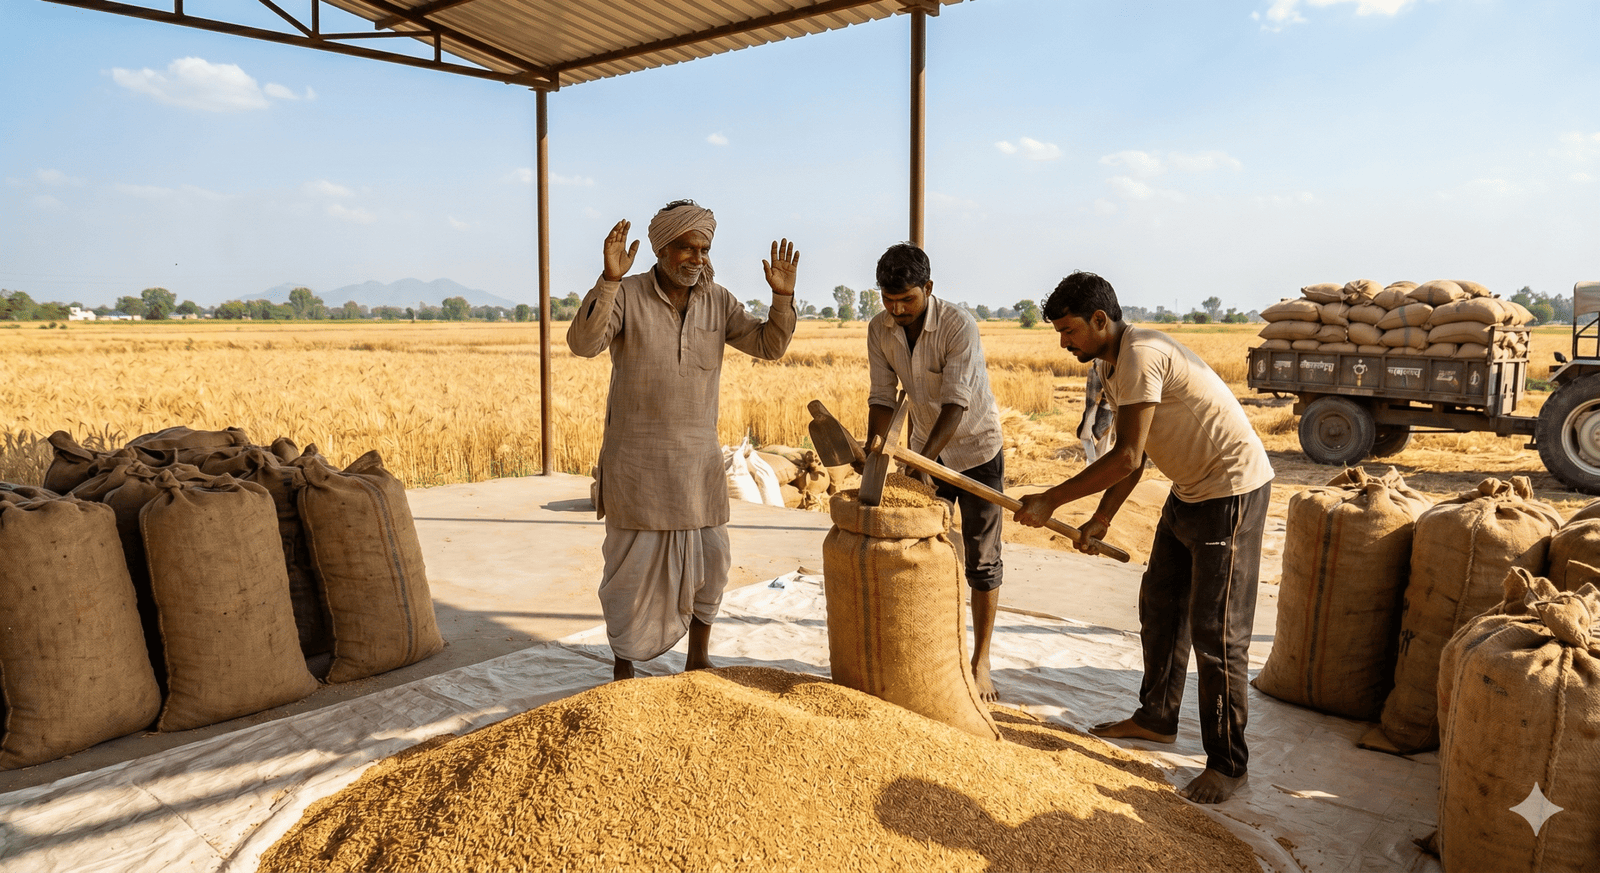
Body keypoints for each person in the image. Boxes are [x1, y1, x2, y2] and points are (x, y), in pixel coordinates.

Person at [1013, 271, 1273, 804]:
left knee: (1216, 633)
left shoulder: (1140, 354)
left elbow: (1127, 455)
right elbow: (1140, 455)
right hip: (1190, 489)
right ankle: (1157, 718)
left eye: (1069, 331)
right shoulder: (1113, 365)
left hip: (1231, 491)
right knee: (1159, 603)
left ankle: (1228, 764)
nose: (1064, 343)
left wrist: (1050, 501)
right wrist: (1102, 519)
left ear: (1100, 320)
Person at [566, 200, 799, 681]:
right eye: (687, 247)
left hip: (697, 464)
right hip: (637, 463)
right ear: (661, 248)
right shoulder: (627, 294)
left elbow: (769, 346)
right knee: (629, 574)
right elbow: (584, 343)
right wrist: (608, 280)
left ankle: (698, 658)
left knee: (711, 565)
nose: (697, 257)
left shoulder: (719, 301)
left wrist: (782, 299)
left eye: (704, 248)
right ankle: (624, 667)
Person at [862, 242, 1006, 701]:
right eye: (889, 300)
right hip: (924, 450)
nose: (898, 309)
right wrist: (878, 448)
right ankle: (925, 647)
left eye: (907, 299)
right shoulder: (879, 330)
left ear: (928, 287)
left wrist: (925, 462)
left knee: (983, 560)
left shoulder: (958, 326)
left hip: (976, 450)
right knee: (918, 548)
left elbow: (956, 404)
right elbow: (883, 396)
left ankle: (980, 661)